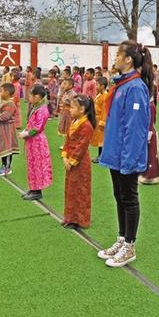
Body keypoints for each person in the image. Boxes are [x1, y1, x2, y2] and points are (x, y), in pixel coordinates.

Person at [97, 41, 152, 268]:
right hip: (116, 151)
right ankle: (122, 238)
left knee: (129, 197)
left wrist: (130, 159)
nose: (115, 58)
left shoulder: (135, 87)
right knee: (119, 195)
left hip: (126, 154)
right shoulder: (121, 84)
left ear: (128, 59)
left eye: (119, 54)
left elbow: (135, 127)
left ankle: (130, 245)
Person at [61, 95, 96, 229]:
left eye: (73, 107)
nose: (70, 109)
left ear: (81, 109)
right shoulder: (74, 121)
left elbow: (82, 146)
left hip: (80, 163)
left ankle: (80, 220)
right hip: (70, 160)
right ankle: (69, 217)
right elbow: (67, 140)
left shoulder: (87, 126)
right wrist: (65, 156)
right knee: (70, 189)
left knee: (80, 190)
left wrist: (71, 161)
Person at [18, 84, 53, 200]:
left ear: (37, 97)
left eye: (30, 95)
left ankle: (37, 191)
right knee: (31, 164)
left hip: (37, 141)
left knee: (37, 165)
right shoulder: (36, 107)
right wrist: (25, 130)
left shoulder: (42, 109)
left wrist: (26, 133)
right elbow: (31, 124)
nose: (29, 98)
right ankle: (33, 188)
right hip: (32, 141)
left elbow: (38, 128)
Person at [0, 83, 19, 175]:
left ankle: (7, 168)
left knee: (8, 150)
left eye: (1, 91)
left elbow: (5, 117)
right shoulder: (4, 102)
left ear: (7, 93)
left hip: (7, 130)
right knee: (3, 149)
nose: (0, 93)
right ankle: (3, 165)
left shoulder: (10, 104)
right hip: (2, 130)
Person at [139, 99, 159, 185]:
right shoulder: (146, 104)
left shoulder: (151, 106)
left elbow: (150, 121)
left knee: (150, 155)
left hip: (149, 133)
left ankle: (150, 176)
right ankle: (145, 174)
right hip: (145, 132)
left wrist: (148, 133)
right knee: (146, 155)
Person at [91, 77, 109, 163]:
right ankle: (100, 156)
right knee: (99, 139)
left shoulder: (105, 96)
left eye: (97, 85)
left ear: (102, 86)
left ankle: (101, 156)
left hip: (101, 120)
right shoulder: (99, 95)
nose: (96, 86)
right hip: (97, 118)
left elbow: (104, 110)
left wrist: (102, 122)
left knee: (102, 139)